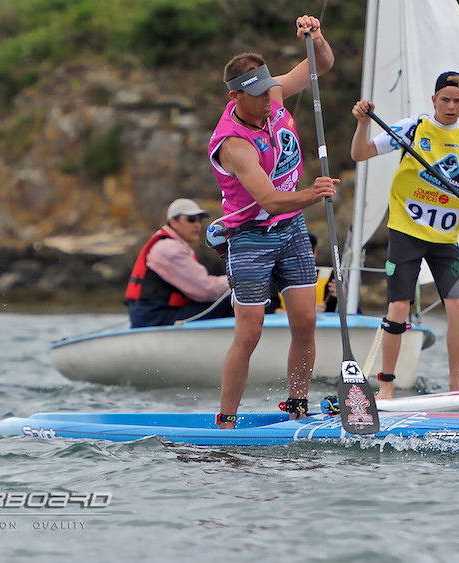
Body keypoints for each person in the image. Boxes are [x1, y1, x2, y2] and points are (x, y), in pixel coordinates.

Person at [207, 15, 338, 428]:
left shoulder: (274, 95)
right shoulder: (232, 143)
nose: (269, 99)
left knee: (306, 320)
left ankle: (298, 406)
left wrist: (314, 37)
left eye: (269, 89)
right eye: (259, 94)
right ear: (236, 96)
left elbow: (321, 65)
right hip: (249, 237)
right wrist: (313, 195)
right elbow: (269, 199)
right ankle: (226, 420)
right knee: (250, 332)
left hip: (292, 231)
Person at [350, 71, 459, 400]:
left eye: (458, 101)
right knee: (399, 307)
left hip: (445, 242)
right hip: (406, 233)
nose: (451, 106)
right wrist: (361, 124)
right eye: (445, 99)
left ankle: (456, 384)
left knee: (458, 306)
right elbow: (359, 154)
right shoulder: (412, 129)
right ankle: (386, 386)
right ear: (434, 100)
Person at [125, 198, 234, 328]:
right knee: (233, 299)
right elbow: (205, 290)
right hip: (157, 318)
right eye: (191, 219)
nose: (197, 224)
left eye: (200, 219)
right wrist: (237, 281)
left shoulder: (169, 244)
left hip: (151, 316)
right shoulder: (169, 249)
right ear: (174, 222)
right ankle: (245, 339)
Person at [267, 233, 336, 314]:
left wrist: (343, 297)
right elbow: (268, 309)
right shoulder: (273, 278)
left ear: (315, 253)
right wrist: (306, 312)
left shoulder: (331, 277)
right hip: (285, 324)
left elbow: (337, 308)